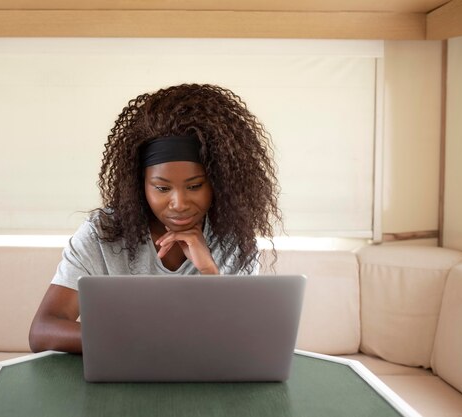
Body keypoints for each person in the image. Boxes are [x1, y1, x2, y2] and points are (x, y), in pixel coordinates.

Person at [29, 83, 281, 354]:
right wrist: (146, 340)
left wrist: (209, 271)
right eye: (162, 188)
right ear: (141, 185)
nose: (179, 203)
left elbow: (239, 340)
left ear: (218, 183)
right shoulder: (102, 234)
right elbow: (43, 331)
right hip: (122, 380)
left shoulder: (234, 241)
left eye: (195, 186)